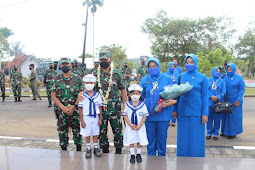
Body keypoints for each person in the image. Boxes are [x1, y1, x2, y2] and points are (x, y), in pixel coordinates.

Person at [88, 51, 127, 154]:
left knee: (117, 131)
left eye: (105, 59)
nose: (103, 61)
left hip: (115, 108)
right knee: (102, 132)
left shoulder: (116, 73)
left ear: (110, 60)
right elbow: (90, 90)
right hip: (100, 109)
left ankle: (119, 150)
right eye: (101, 60)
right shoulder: (94, 74)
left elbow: (123, 90)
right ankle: (104, 151)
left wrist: (125, 105)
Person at [173, 54, 208, 157]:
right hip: (182, 112)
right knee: (183, 138)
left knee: (196, 138)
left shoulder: (202, 78)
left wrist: (205, 113)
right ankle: (182, 159)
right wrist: (174, 109)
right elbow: (176, 94)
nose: (189, 64)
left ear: (195, 63)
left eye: (191, 62)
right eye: (187, 62)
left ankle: (197, 159)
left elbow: (205, 96)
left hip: (197, 112)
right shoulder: (181, 76)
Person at [140, 58, 177, 156]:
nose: (153, 68)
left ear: (159, 66)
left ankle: (161, 160)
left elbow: (173, 93)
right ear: (147, 67)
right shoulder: (144, 79)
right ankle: (151, 159)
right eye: (150, 66)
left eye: (155, 66)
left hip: (163, 114)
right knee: (150, 140)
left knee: (162, 140)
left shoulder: (167, 78)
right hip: (149, 115)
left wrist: (172, 102)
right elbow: (141, 95)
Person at [50, 58, 84, 151]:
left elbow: (81, 94)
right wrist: (63, 108)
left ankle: (79, 149)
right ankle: (64, 151)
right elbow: (53, 95)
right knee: (62, 132)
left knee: (77, 131)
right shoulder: (56, 79)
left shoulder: (77, 78)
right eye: (63, 64)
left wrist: (74, 106)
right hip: (61, 111)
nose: (65, 66)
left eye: (67, 64)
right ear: (60, 66)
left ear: (71, 65)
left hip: (75, 110)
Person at [123, 84, 149, 163]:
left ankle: (138, 154)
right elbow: (125, 115)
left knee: (139, 140)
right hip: (130, 126)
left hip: (140, 127)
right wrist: (130, 124)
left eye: (137, 93)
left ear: (140, 94)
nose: (135, 96)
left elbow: (145, 116)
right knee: (131, 140)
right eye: (133, 93)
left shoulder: (142, 105)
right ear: (129, 94)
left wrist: (140, 125)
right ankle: (132, 155)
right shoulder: (127, 104)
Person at [78, 74, 103, 158]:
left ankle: (96, 147)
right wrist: (82, 120)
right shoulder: (82, 95)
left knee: (95, 134)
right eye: (87, 82)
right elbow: (80, 109)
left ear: (95, 84)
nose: (89, 84)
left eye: (91, 82)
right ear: (84, 83)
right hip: (86, 117)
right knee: (87, 134)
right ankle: (88, 148)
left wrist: (100, 119)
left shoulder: (97, 95)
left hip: (95, 117)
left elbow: (100, 108)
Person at [221, 63, 245, 139]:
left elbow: (242, 89)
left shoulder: (239, 78)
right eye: (228, 69)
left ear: (234, 69)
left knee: (233, 118)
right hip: (225, 100)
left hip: (235, 102)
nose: (229, 71)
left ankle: (233, 133)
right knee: (225, 117)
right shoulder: (224, 76)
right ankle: (224, 132)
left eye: (231, 69)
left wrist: (238, 100)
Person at [206, 67, 226, 140]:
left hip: (218, 103)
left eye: (219, 71)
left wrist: (217, 97)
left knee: (217, 119)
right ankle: (209, 132)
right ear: (212, 71)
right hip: (209, 102)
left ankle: (216, 133)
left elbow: (223, 92)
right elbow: (205, 90)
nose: (218, 72)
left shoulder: (222, 81)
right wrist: (211, 96)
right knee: (209, 118)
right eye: (216, 71)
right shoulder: (208, 80)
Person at [165, 62, 180, 127]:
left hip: (175, 91)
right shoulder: (165, 74)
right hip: (168, 92)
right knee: (168, 105)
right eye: (171, 66)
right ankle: (168, 120)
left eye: (173, 67)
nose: (172, 68)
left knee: (174, 106)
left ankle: (173, 121)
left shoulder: (177, 74)